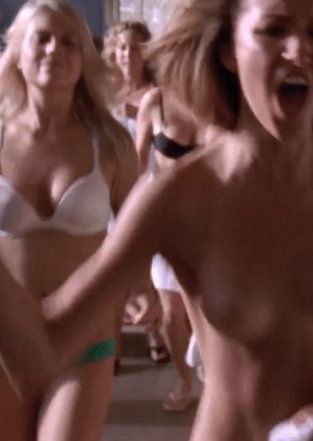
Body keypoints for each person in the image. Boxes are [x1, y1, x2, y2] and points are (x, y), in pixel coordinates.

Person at [0, 0, 313, 441]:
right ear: (227, 49)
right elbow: (39, 357)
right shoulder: (180, 195)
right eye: (273, 30)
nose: (298, 50)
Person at [0, 0, 138, 440]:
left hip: (82, 342)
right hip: (0, 341)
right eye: (43, 38)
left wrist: (142, 291)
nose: (56, 49)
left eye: (70, 42)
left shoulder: (112, 145)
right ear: (17, 53)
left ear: (84, 59)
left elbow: (136, 236)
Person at [102, 19, 170, 367]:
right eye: (122, 47)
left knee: (145, 265)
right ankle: (111, 341)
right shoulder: (104, 95)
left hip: (146, 183)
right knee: (111, 266)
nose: (128, 54)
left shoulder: (156, 94)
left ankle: (153, 332)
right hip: (110, 186)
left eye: (135, 48)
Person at [134, 84, 205, 410]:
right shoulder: (156, 101)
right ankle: (185, 380)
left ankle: (215, 381)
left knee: (207, 310)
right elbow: (136, 165)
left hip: (213, 220)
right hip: (166, 217)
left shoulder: (222, 96)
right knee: (173, 312)